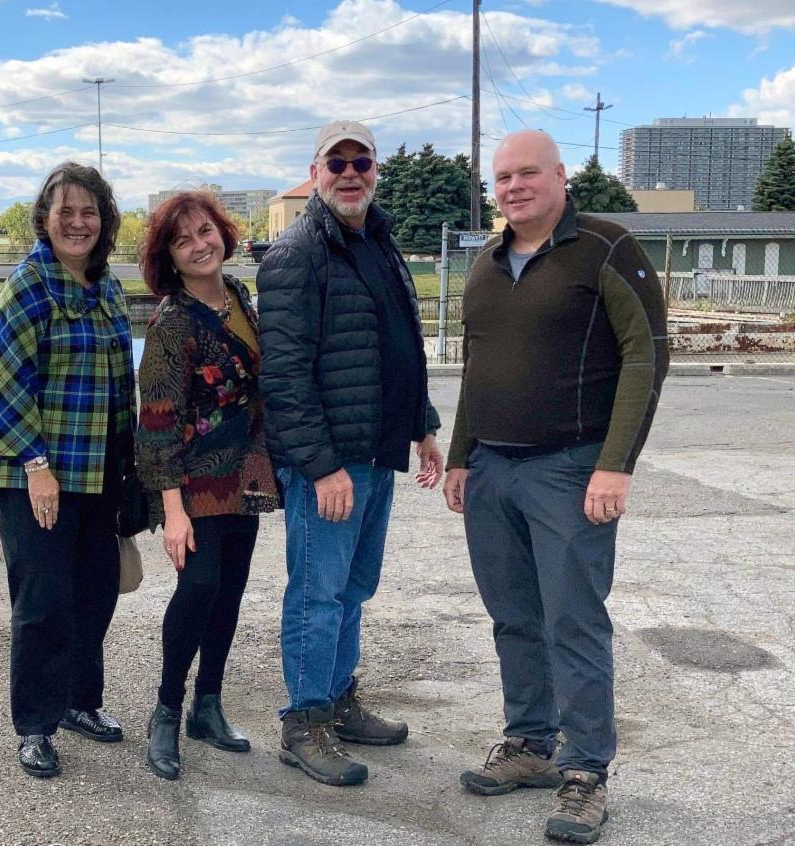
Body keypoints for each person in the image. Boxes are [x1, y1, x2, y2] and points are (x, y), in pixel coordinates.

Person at [442, 130, 669, 844]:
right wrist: (460, 455)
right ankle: (530, 743)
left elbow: (646, 355)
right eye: (503, 177)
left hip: (570, 469)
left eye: (527, 173)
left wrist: (616, 463)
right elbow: (476, 367)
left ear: (560, 176)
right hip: (492, 471)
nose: (513, 187)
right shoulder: (486, 264)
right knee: (513, 616)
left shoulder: (605, 247)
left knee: (573, 620)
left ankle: (586, 772)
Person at [257, 120, 443, 787]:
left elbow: (399, 342)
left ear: (375, 170)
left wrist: (422, 424)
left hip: (376, 450)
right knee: (318, 592)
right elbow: (284, 377)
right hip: (331, 464)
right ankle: (304, 722)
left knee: (353, 589)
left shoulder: (379, 242)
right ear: (316, 173)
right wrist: (321, 466)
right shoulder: (296, 254)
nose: (349, 173)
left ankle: (336, 700)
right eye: (335, 163)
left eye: (360, 162)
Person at [0, 161, 135, 778]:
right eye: (64, 211)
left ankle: (78, 702)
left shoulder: (108, 288)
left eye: (88, 212)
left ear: (104, 221)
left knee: (95, 594)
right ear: (44, 219)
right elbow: (5, 388)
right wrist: (36, 465)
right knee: (43, 603)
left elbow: (121, 385)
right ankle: (36, 726)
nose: (77, 222)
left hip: (98, 473)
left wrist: (133, 466)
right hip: (37, 476)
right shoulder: (28, 286)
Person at [136, 192, 280, 781]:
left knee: (230, 592)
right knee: (198, 587)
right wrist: (172, 510)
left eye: (205, 232)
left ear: (222, 233)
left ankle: (208, 706)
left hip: (243, 473)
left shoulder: (239, 297)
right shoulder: (172, 323)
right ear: (169, 257)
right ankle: (167, 710)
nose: (199, 246)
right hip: (192, 481)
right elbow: (157, 421)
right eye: (183, 240)